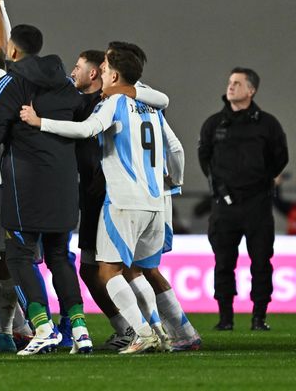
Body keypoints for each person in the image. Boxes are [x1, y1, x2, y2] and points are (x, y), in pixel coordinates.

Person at [21, 45, 184, 355]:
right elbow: (173, 143)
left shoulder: (113, 103)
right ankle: (160, 330)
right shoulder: (150, 104)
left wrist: (40, 122)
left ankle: (141, 332)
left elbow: (86, 130)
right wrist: (175, 182)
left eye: (107, 68)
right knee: (135, 270)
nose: (104, 72)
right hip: (154, 201)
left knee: (107, 271)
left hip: (123, 201)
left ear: (115, 75)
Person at [0, 23, 93, 356]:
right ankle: (80, 328)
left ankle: (43, 327)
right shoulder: (68, 86)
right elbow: (83, 126)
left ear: (13, 51)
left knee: (19, 256)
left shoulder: (12, 83)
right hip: (64, 184)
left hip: (25, 185)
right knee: (59, 256)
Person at [198, 67, 288, 331]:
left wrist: (262, 181)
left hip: (257, 204)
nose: (231, 87)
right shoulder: (214, 124)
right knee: (223, 262)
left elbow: (280, 157)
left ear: (251, 90)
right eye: (230, 82)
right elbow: (205, 158)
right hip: (224, 205)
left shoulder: (267, 124)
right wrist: (221, 188)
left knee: (261, 261)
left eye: (237, 83)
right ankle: (225, 318)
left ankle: (259, 316)